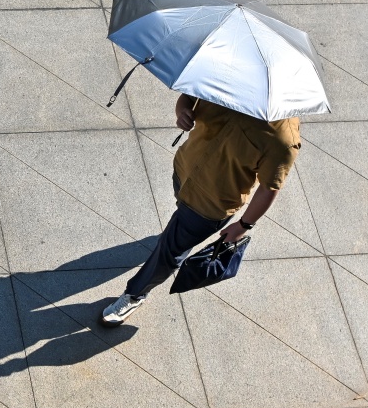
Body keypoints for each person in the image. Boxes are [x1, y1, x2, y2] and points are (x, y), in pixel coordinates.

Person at [101, 94, 301, 326]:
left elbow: (268, 188)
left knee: (169, 253)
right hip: (184, 171)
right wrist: (182, 111)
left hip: (209, 205)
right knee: (176, 233)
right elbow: (188, 96)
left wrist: (243, 225)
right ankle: (176, 236)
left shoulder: (282, 138)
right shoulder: (225, 81)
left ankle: (135, 294)